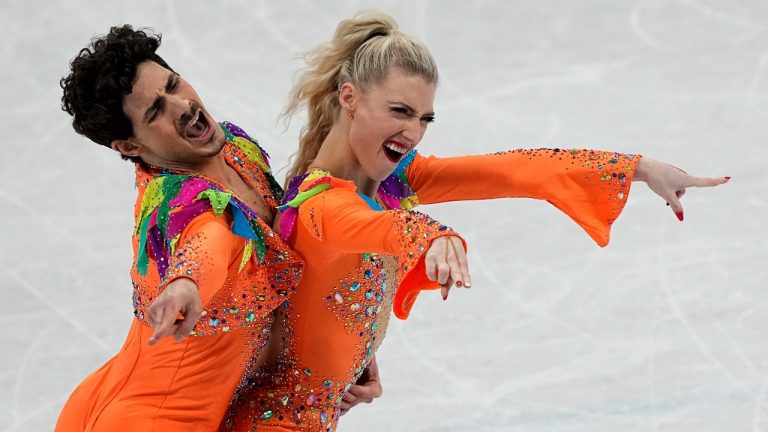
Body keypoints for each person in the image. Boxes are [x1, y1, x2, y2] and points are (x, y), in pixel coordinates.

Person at [218, 11, 729, 432]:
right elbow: (379, 228)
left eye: (425, 118)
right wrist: (436, 235)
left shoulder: (396, 181)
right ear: (349, 97)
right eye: (400, 111)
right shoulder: (317, 205)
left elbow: (512, 169)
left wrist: (637, 168)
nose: (413, 132)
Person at [54, 25, 384, 432]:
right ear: (129, 146)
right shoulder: (173, 206)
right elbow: (204, 241)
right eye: (156, 111)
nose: (182, 105)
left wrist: (348, 345)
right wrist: (185, 283)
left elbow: (296, 244)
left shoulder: (235, 149)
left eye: (173, 84)